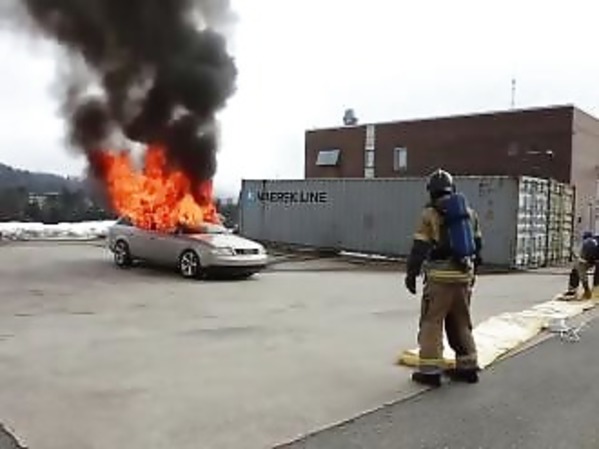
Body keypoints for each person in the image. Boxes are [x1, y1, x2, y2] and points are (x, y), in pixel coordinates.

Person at [404, 169, 483, 387]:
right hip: (463, 278)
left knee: (432, 323)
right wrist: (472, 275)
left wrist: (411, 274)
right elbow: (478, 249)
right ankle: (468, 367)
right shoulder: (469, 214)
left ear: (431, 191)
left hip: (439, 280)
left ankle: (430, 372)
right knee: (461, 322)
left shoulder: (429, 214)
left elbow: (419, 248)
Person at [563, 232, 599, 299]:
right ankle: (596, 290)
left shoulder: (586, 244)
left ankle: (572, 290)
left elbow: (582, 272)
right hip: (592, 257)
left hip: (588, 257)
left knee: (576, 269)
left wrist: (586, 288)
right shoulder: (594, 240)